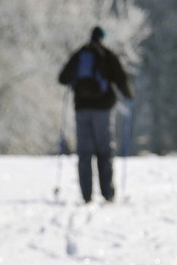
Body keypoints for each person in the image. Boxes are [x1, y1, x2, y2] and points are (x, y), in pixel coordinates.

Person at [57, 26, 134, 203]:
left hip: (82, 109)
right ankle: (108, 193)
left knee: (84, 152)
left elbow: (62, 78)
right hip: (103, 109)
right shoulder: (107, 55)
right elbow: (121, 80)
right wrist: (129, 95)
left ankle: (86, 195)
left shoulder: (79, 55)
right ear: (102, 38)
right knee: (104, 151)